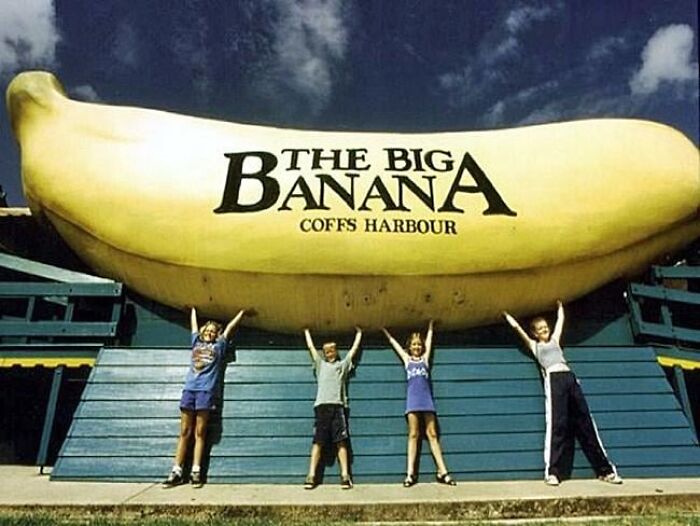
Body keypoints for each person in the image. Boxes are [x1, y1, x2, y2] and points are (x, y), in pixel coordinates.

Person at [503, 301, 622, 486]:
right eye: (540, 329)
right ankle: (552, 472)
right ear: (535, 333)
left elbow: (560, 322)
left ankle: (605, 471)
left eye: (545, 327)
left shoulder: (555, 341)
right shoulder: (534, 346)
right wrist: (507, 315)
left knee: (586, 423)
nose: (544, 330)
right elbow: (519, 330)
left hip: (569, 377)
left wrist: (560, 307)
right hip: (554, 380)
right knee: (557, 425)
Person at [163, 307, 245, 488]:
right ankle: (176, 471)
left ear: (216, 334)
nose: (209, 333)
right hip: (189, 390)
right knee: (184, 432)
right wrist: (193, 309)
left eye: (212, 331)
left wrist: (242, 312)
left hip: (206, 392)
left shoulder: (219, 346)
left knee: (200, 432)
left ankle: (196, 471)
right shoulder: (196, 342)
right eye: (207, 330)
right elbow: (193, 326)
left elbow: (230, 328)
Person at [382, 321, 456, 487]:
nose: (417, 347)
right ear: (409, 347)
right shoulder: (407, 360)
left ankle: (443, 471)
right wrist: (386, 332)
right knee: (413, 435)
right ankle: (410, 473)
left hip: (426, 400)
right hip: (413, 401)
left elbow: (430, 341)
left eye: (419, 344)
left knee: (432, 434)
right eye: (414, 344)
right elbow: (395, 345)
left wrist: (430, 327)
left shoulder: (425, 360)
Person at [303, 327, 362, 489]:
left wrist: (359, 334)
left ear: (336, 352)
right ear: (324, 353)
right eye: (327, 351)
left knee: (341, 442)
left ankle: (345, 476)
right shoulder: (320, 365)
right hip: (322, 408)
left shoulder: (342, 366)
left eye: (332, 350)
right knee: (318, 442)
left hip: (338, 407)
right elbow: (311, 348)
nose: (330, 353)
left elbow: (353, 351)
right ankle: (311, 476)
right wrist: (307, 332)